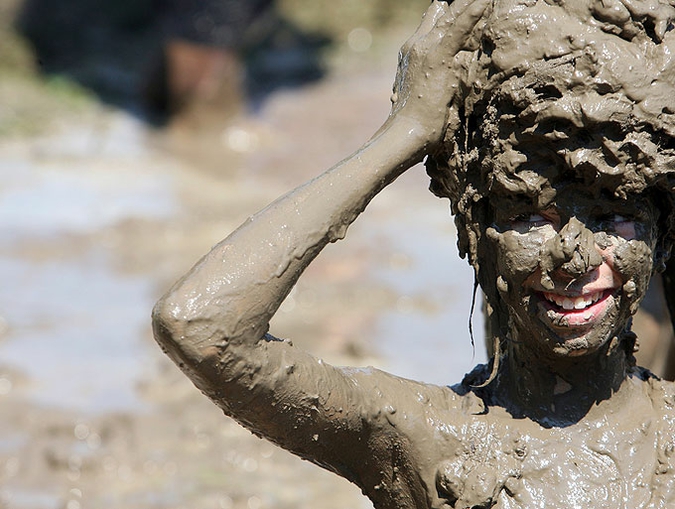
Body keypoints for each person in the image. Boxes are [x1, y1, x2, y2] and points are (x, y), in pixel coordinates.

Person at [151, 0, 675, 506]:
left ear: (661, 236)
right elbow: (199, 327)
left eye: (613, 217)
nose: (574, 257)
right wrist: (405, 133)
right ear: (474, 233)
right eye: (529, 218)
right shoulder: (428, 443)